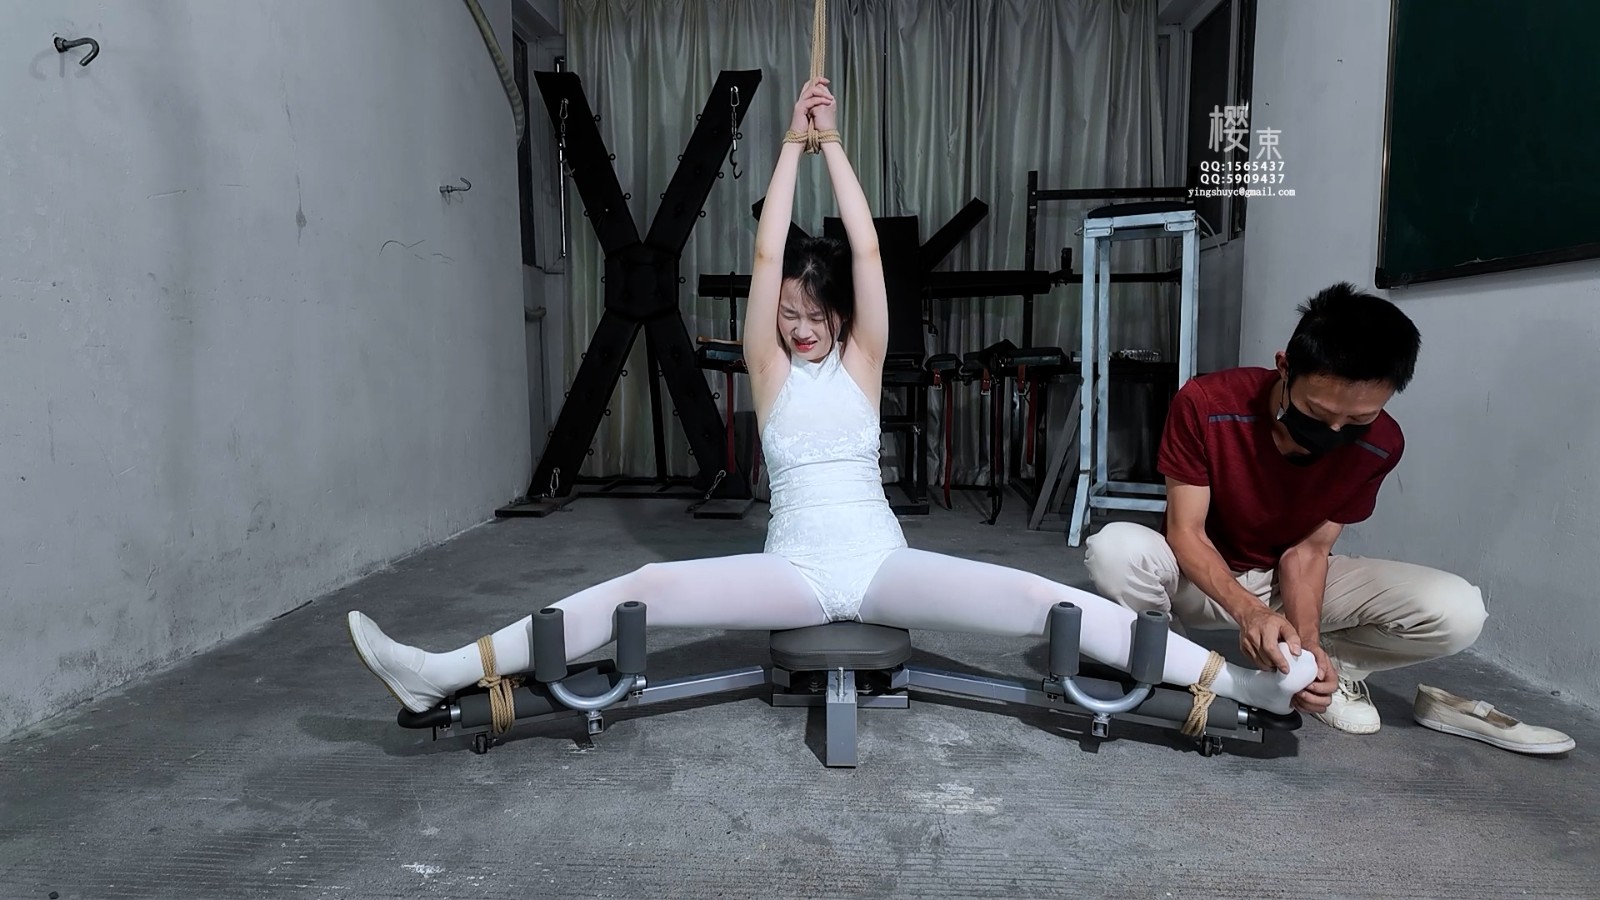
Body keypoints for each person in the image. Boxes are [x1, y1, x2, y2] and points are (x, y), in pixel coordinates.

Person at [346, 79, 1318, 729]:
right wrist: (786, 148)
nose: (800, 327)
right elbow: (768, 251)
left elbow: (864, 251)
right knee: (644, 581)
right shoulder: (771, 372)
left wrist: (835, 146)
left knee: (1041, 598)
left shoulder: (861, 363)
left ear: (840, 319)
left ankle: (1240, 684)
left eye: (815, 316)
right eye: (790, 317)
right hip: (796, 572)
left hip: (881, 563)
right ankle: (443, 671)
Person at [1085, 283, 1487, 735]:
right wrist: (1249, 613)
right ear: (1284, 366)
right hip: (1198, 577)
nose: (1335, 429)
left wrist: (1308, 644)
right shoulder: (1207, 404)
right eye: (1318, 411)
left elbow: (1309, 552)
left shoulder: (1382, 444)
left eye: (1358, 419)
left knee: (1458, 611)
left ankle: (1320, 669)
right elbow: (1185, 532)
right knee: (1115, 550)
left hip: (1281, 578)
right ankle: (1185, 667)